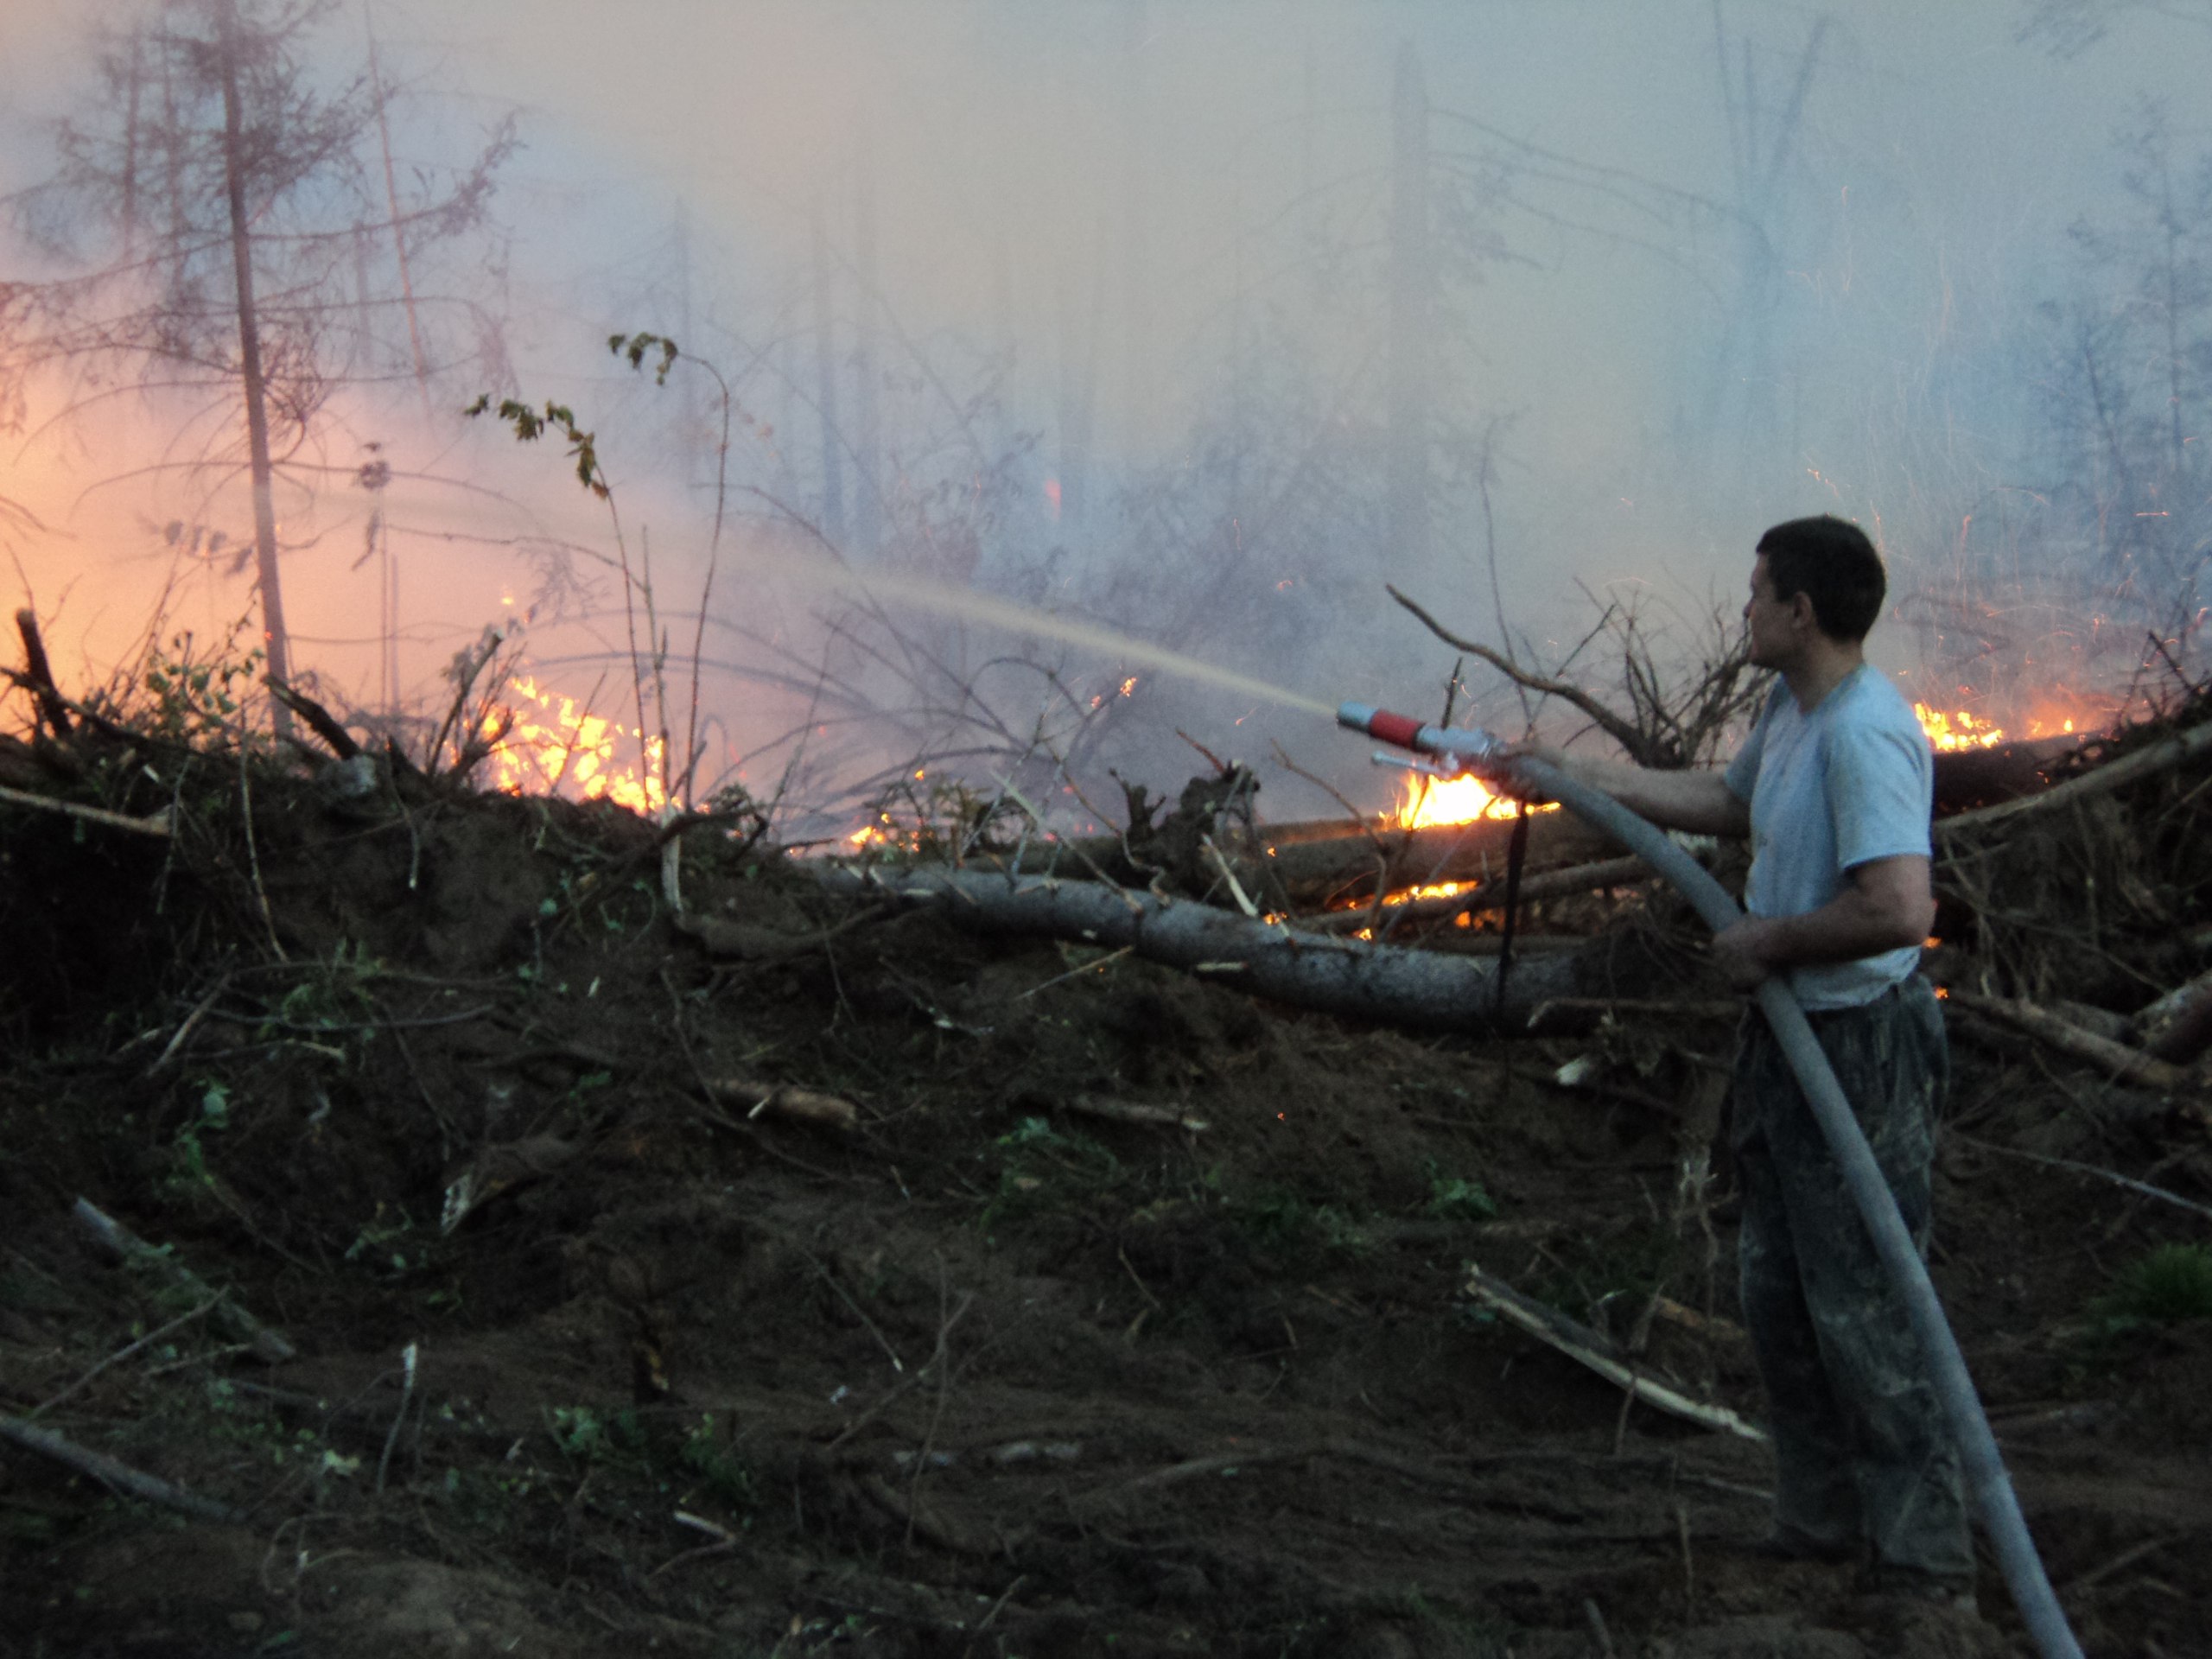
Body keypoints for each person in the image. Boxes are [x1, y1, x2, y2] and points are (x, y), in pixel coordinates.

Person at [1516, 515, 1972, 1605]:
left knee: (1866, 1307)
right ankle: (1818, 1528)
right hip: (1790, 1037)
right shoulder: (1792, 710)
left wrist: (1767, 940)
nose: (1743, 610)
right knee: (1779, 1295)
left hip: (1856, 1049)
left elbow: (1897, 909)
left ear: (1800, 612)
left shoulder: (1864, 733)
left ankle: (1926, 1570)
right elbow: (1727, 803)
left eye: (1757, 593)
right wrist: (1569, 773)